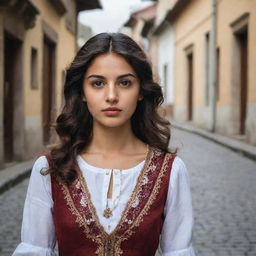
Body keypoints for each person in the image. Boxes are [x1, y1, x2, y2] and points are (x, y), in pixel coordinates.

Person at [12, 32, 196, 256]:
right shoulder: (49, 169)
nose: (111, 95)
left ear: (140, 91)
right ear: (82, 92)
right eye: (98, 83)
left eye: (125, 83)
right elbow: (35, 249)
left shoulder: (171, 171)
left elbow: (178, 251)